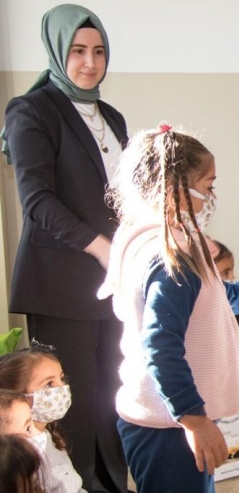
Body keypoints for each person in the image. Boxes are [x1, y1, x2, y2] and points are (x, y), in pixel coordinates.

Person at [100, 125, 239, 493]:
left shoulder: (164, 241)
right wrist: (195, 420)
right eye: (208, 184)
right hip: (169, 427)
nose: (211, 195)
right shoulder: (170, 258)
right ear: (175, 192)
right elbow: (160, 346)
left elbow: (221, 298)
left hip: (168, 421)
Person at [0, 5, 129, 491]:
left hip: (115, 280)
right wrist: (99, 247)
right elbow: (37, 201)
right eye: (78, 51)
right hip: (59, 284)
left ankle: (115, 482)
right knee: (69, 404)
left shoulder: (112, 116)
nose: (90, 63)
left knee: (114, 394)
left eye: (98, 52)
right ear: (57, 51)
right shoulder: (30, 110)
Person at [0, 344, 85, 492]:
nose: (63, 388)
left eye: (62, 378)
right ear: (19, 394)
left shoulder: (46, 433)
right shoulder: (24, 456)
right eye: (50, 384)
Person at [211, 239, 239, 358]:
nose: (232, 277)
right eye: (225, 273)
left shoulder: (232, 301)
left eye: (232, 270)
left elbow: (238, 339)